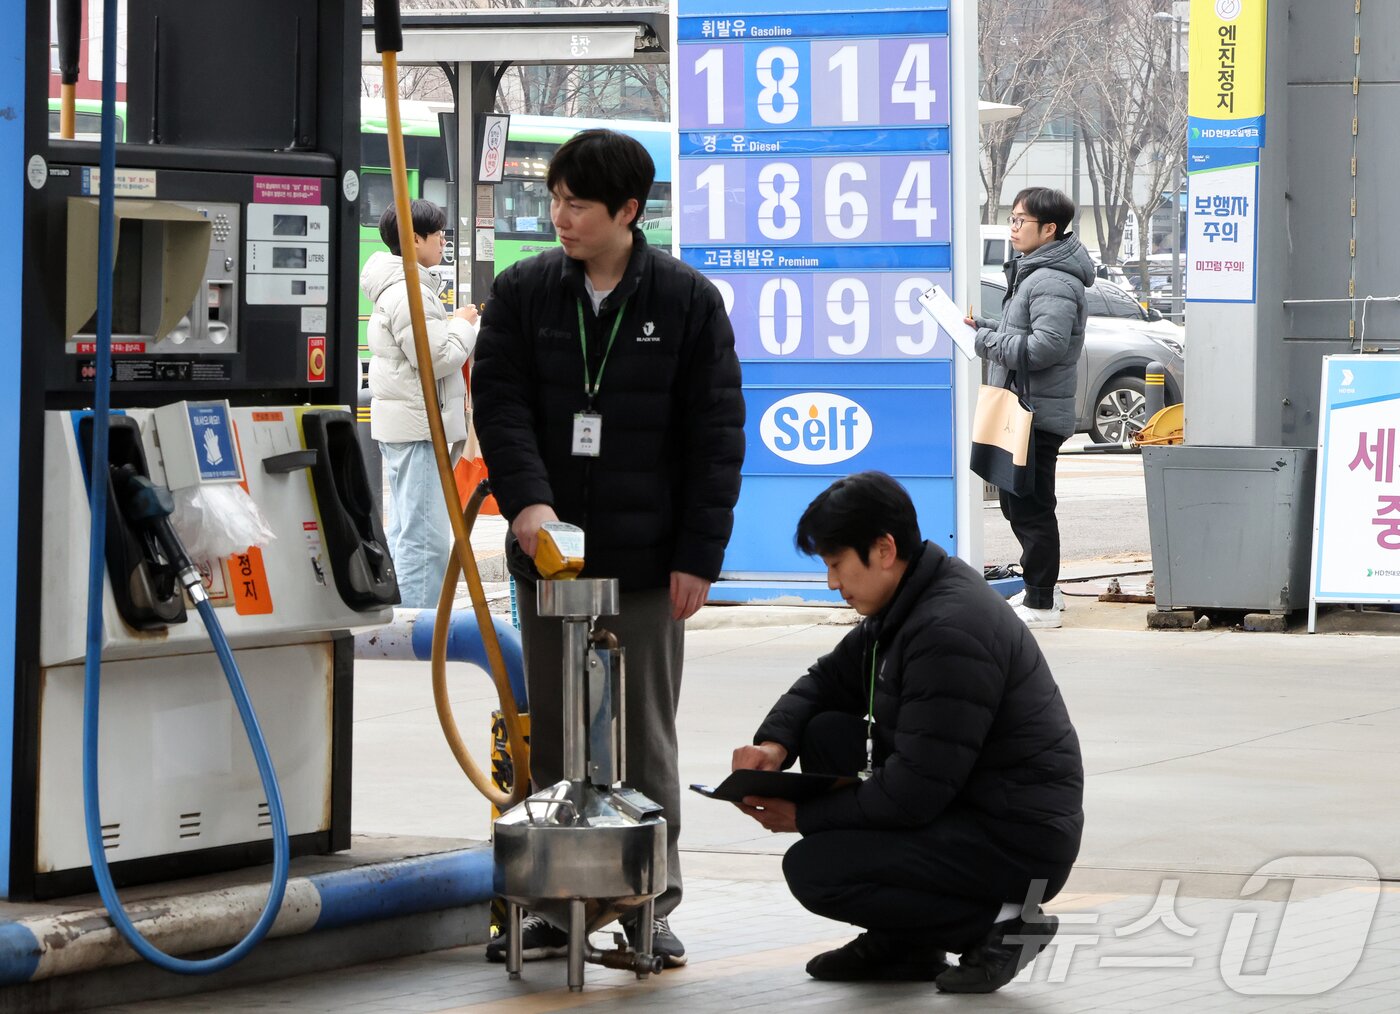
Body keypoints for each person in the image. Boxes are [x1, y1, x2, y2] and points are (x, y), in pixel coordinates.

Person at [473, 129, 745, 966]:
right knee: (555, 735)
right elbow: (501, 403)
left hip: (647, 560)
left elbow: (716, 437)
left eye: (577, 204)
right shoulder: (523, 292)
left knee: (639, 740)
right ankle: (555, 905)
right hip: (550, 560)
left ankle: (648, 904)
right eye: (555, 199)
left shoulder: (688, 301)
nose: (560, 216)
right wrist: (528, 506)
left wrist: (698, 555)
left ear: (628, 211)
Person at [731, 472, 1083, 993]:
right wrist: (774, 745)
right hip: (969, 801)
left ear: (883, 549)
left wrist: (804, 813)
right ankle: (907, 942)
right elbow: (827, 681)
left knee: (815, 870)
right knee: (826, 732)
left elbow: (914, 794)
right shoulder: (906, 601)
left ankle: (1004, 928)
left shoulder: (948, 630)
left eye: (836, 565)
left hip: (1016, 837)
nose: (832, 583)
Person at [967, 187, 1094, 629]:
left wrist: (985, 342)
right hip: (1025, 410)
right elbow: (1022, 330)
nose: (1013, 228)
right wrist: (984, 327)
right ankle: (1044, 591)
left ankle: (1041, 602)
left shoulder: (1053, 279)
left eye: (1021, 221)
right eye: (1013, 219)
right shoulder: (1036, 272)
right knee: (1019, 502)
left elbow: (1045, 347)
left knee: (1031, 506)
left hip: (1035, 414)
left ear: (1049, 229)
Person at [362, 199, 479, 609]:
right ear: (414, 240)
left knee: (408, 531)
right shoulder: (411, 291)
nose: (444, 239)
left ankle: (400, 620)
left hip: (406, 426)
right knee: (425, 539)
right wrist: (464, 326)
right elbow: (436, 358)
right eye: (438, 233)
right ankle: (418, 631)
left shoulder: (399, 286)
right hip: (418, 427)